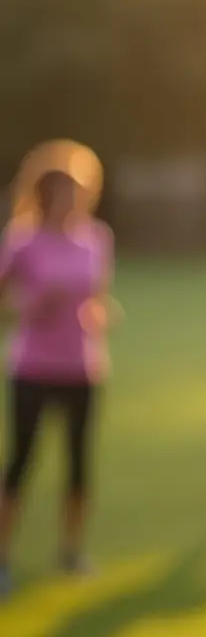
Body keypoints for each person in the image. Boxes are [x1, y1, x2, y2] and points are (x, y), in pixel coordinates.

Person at [0, 141, 115, 597]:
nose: (70, 199)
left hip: (83, 365)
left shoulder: (96, 237)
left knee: (79, 464)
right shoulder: (22, 239)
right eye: (62, 191)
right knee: (20, 462)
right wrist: (30, 303)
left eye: (77, 190)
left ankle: (71, 551)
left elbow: (98, 298)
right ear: (44, 193)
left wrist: (103, 316)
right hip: (33, 364)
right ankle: (4, 558)